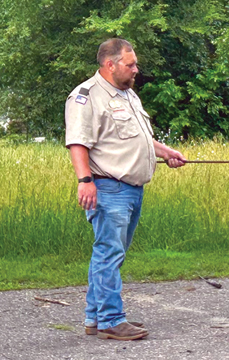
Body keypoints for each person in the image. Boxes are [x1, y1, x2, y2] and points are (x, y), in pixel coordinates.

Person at [65, 38, 187, 340]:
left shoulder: (128, 94)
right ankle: (111, 320)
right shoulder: (86, 96)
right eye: (130, 64)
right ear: (110, 65)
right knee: (108, 254)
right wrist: (85, 181)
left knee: (110, 254)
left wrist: (165, 152)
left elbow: (138, 139)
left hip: (131, 189)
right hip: (108, 188)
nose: (136, 69)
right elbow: (78, 142)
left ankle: (95, 318)